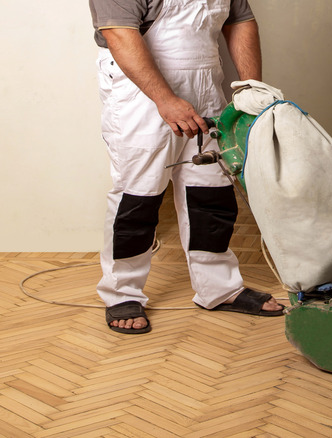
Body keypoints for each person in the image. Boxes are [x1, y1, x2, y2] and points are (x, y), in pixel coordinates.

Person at [89, 0, 284, 334]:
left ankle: (219, 288)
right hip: (140, 93)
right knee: (138, 196)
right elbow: (118, 33)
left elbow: (239, 20)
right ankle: (121, 292)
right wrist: (165, 100)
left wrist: (251, 89)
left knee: (210, 193)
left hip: (206, 83)